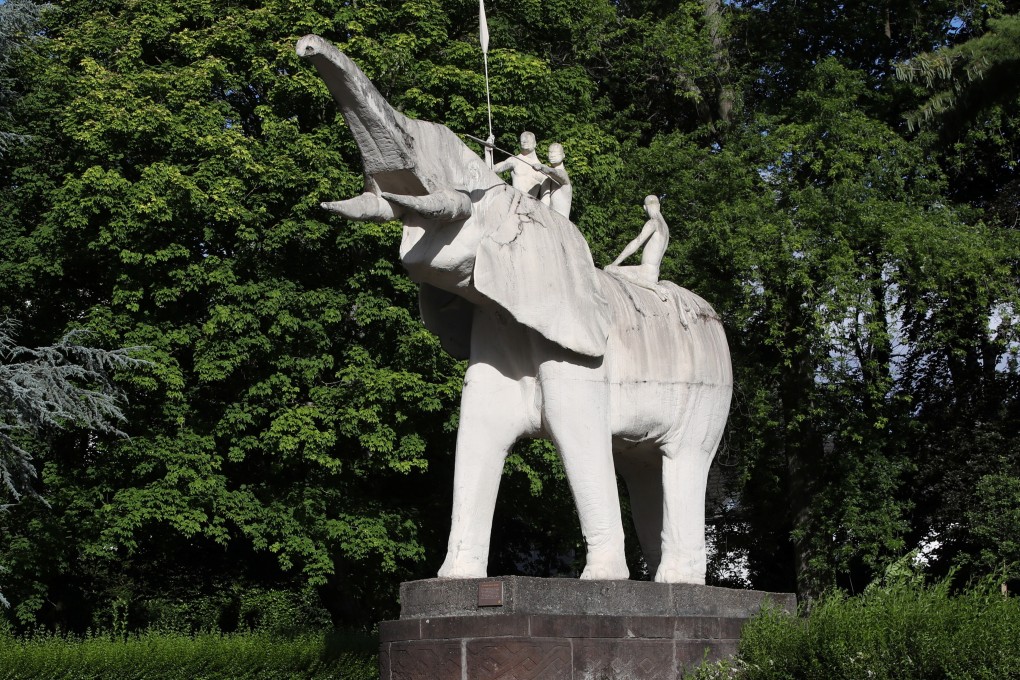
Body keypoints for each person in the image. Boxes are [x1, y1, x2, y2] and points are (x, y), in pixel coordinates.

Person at [605, 195, 669, 299]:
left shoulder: (653, 223)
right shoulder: (665, 228)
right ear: (659, 205)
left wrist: (615, 263)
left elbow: (637, 242)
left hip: (646, 272)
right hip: (655, 274)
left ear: (645, 207)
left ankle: (653, 287)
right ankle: (653, 286)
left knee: (609, 269)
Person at [492, 131, 546, 199]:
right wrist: (487, 150)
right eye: (522, 140)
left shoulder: (543, 170)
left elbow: (545, 199)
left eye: (528, 140)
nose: (524, 141)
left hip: (531, 207)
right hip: (516, 204)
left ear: (535, 143)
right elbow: (492, 169)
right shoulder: (515, 160)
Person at [533, 142, 572, 219]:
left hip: (561, 223)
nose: (552, 155)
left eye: (556, 153)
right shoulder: (546, 178)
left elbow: (560, 174)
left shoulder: (563, 176)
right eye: (550, 152)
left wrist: (545, 168)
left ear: (563, 155)